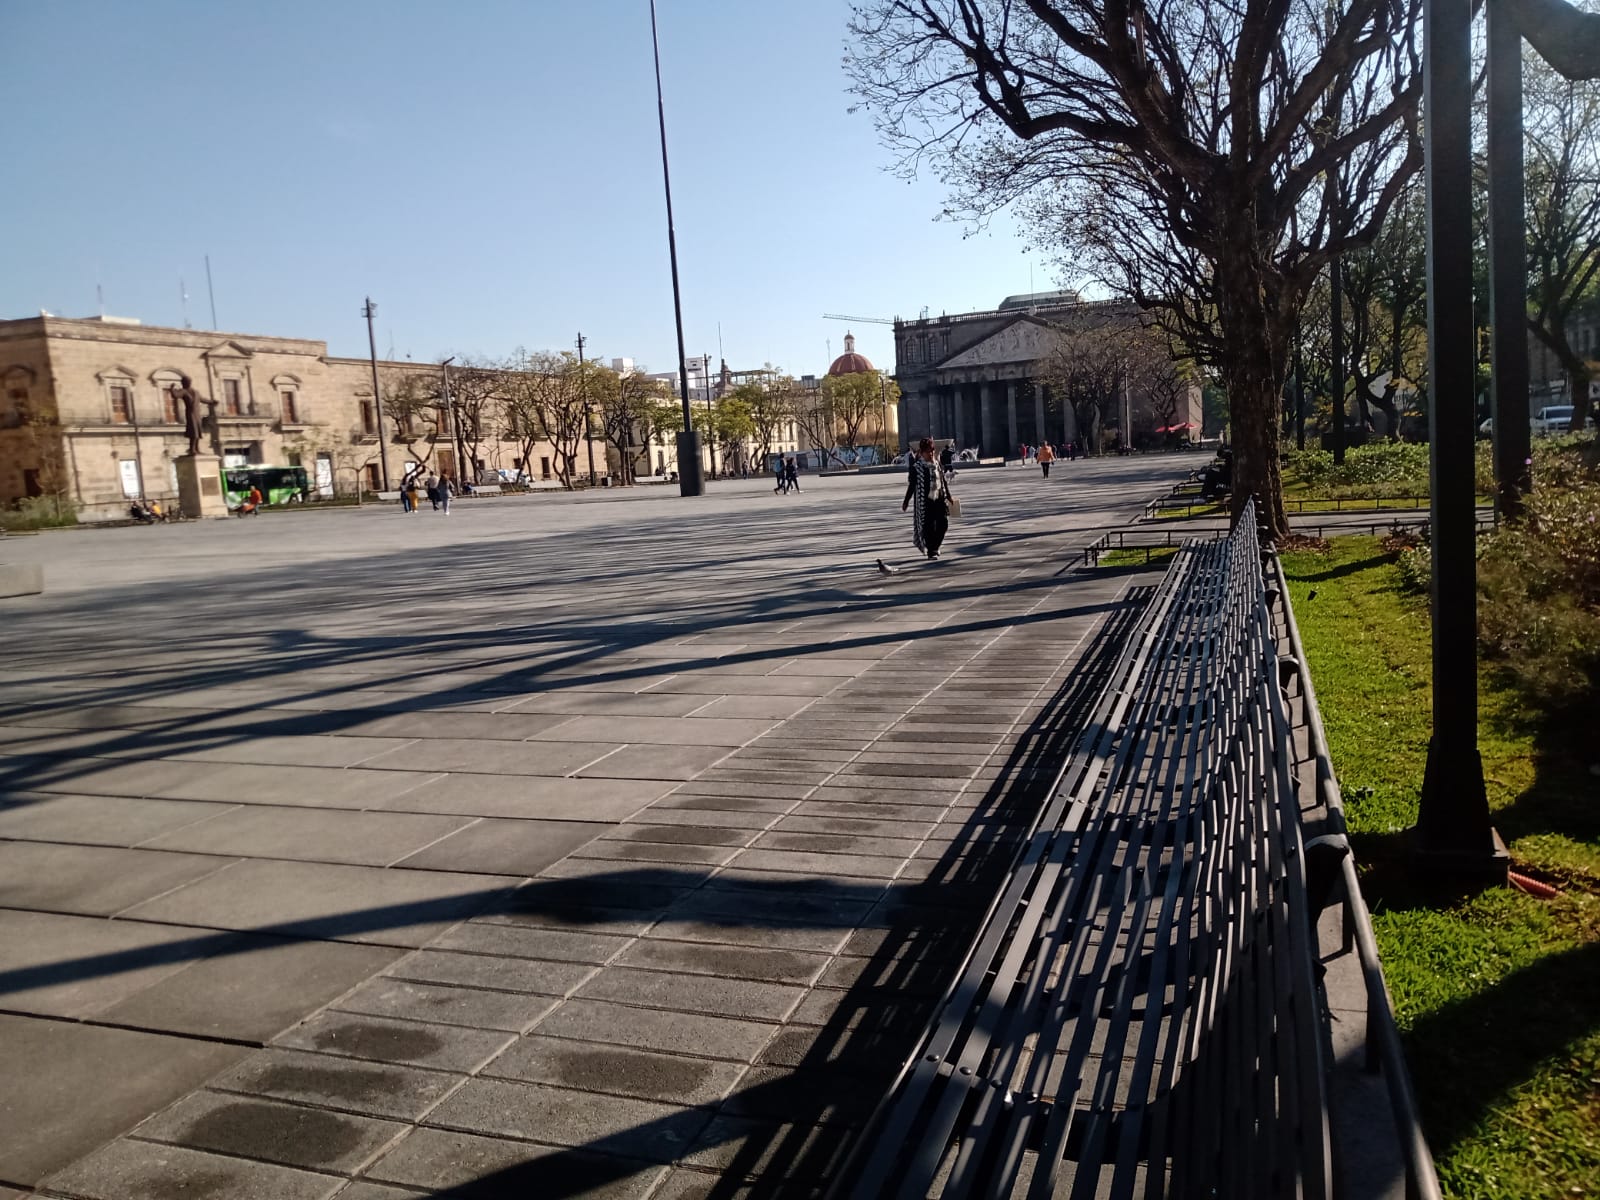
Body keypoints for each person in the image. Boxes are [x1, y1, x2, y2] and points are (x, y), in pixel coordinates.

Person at [902, 436, 953, 560]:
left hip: (939, 499)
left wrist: (949, 495)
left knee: (943, 524)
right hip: (926, 501)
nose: (931, 454)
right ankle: (931, 550)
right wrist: (906, 501)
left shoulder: (937, 463)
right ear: (922, 452)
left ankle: (936, 546)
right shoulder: (917, 467)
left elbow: (943, 480)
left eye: (932, 451)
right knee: (928, 526)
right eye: (928, 451)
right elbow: (912, 485)